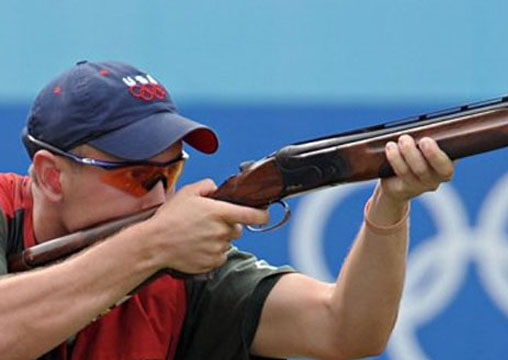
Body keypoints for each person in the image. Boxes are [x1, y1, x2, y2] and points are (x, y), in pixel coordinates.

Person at [0, 60, 454, 360]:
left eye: (171, 173)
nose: (159, 200)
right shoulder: (156, 246)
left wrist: (390, 205)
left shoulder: (172, 267)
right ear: (51, 176)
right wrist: (153, 244)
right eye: (137, 177)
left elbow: (347, 329)